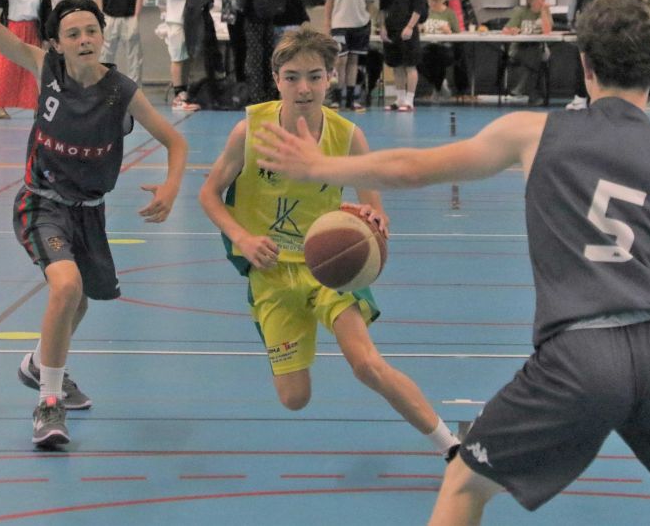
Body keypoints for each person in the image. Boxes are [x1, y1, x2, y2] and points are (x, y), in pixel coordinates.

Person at [253, 0, 650, 526]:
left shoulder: (534, 133)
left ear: (584, 63)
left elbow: (413, 168)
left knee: (465, 484)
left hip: (582, 355)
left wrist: (322, 166)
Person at [0, 0, 187, 448]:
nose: (85, 38)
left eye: (92, 30)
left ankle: (38, 364)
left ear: (102, 36)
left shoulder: (122, 91)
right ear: (58, 42)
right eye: (73, 32)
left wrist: (170, 186)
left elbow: (176, 141)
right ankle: (48, 402)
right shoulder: (43, 68)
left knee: (80, 300)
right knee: (65, 287)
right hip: (41, 201)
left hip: (89, 211)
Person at [197, 27, 461, 459]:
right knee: (294, 398)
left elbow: (374, 210)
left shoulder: (348, 136)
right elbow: (209, 194)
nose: (304, 88)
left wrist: (373, 220)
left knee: (367, 364)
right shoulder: (249, 131)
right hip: (271, 271)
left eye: (315, 76)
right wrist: (242, 237)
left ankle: (451, 446)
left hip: (329, 266)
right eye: (293, 77)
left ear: (331, 78)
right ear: (277, 79)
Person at [565, 0, 634, 110]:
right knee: (607, 58)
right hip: (609, 20)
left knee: (583, 59)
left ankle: (580, 98)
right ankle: (605, 98)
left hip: (587, 18)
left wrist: (570, 17)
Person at [160, 0, 216, 111]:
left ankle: (185, 93)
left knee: (187, 58)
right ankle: (178, 96)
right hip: (177, 19)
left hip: (192, 22)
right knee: (178, 57)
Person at [323, 0, 377, 111]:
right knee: (341, 60)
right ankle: (337, 97)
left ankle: (351, 99)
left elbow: (370, 0)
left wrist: (371, 19)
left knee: (354, 60)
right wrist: (327, 23)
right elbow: (329, 0)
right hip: (340, 22)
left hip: (360, 23)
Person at [379, 0, 427, 112]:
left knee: (410, 65)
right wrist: (382, 27)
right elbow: (383, 7)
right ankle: (399, 99)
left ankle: (409, 100)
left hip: (408, 29)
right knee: (397, 66)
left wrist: (410, 27)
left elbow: (419, 8)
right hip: (391, 28)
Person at [501, 0, 554, 107]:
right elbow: (505, 30)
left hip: (538, 47)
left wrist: (544, 12)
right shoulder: (521, 12)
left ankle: (521, 90)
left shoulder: (546, 12)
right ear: (531, 1)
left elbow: (547, 31)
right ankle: (533, 94)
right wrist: (513, 31)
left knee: (536, 54)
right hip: (520, 47)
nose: (543, 1)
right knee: (536, 57)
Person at [237, 0, 277, 104]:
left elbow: (242, 2)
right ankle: (270, 93)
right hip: (269, 20)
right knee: (268, 56)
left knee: (255, 59)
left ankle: (256, 96)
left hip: (252, 21)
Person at [419, 0, 468, 103]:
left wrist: (449, 32)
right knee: (417, 59)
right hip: (426, 46)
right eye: (430, 0)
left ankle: (438, 87)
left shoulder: (450, 13)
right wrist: (419, 28)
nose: (432, 3)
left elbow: (458, 33)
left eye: (436, 1)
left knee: (438, 57)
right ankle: (439, 85)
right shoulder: (424, 12)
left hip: (444, 47)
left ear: (443, 0)